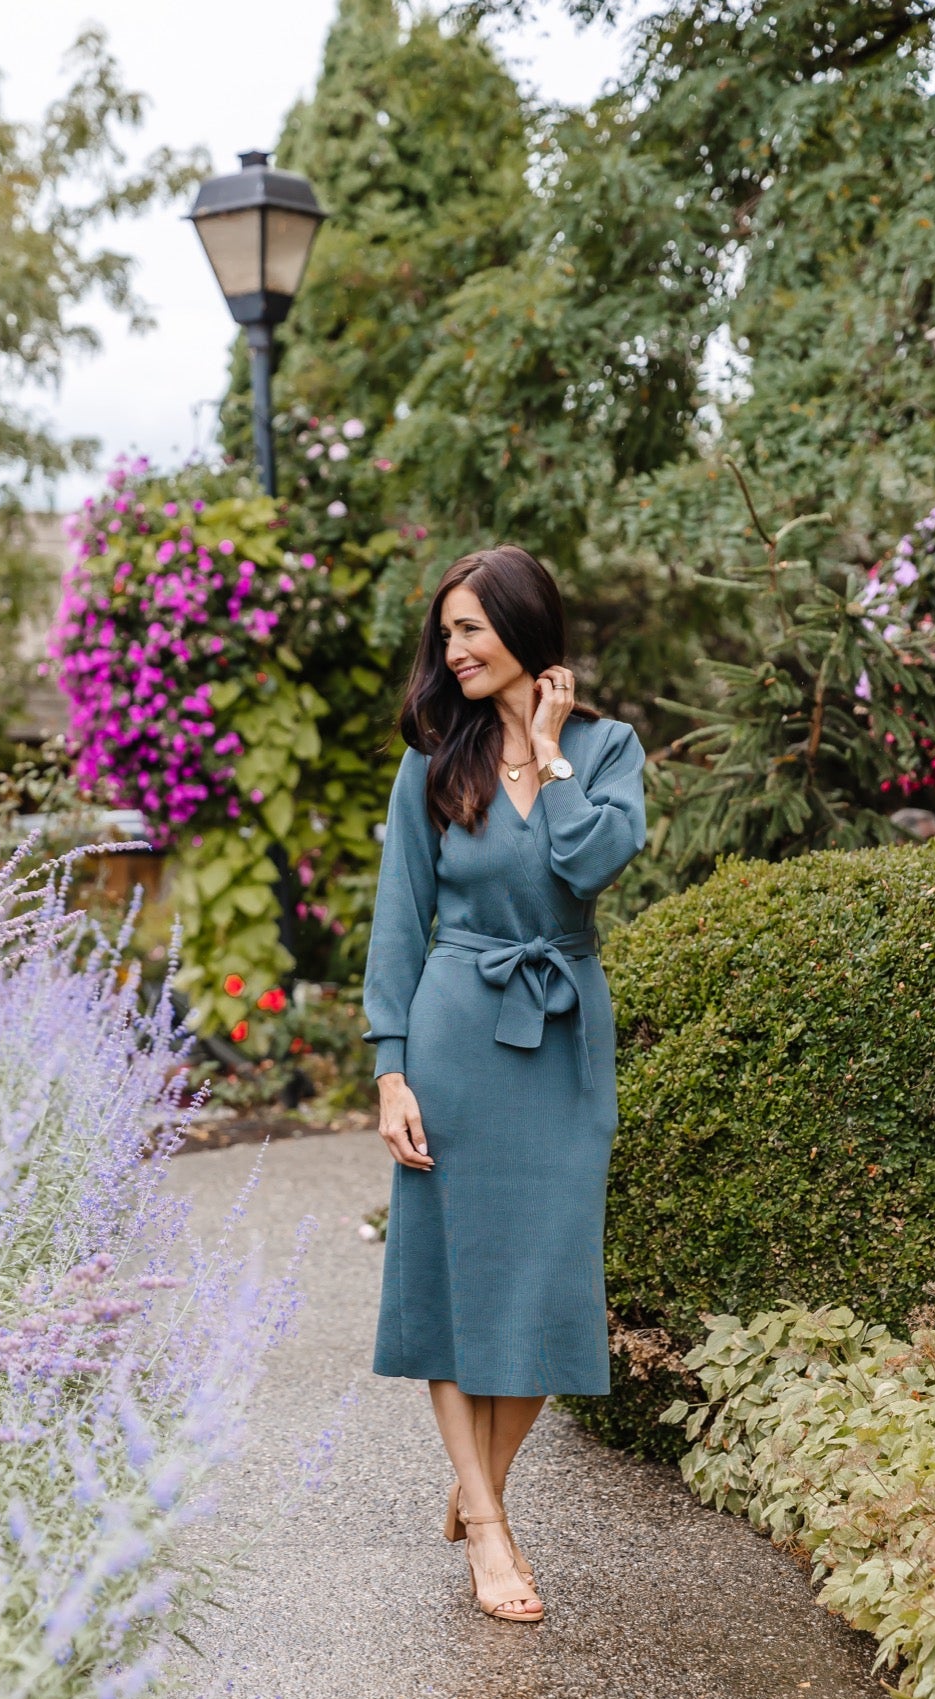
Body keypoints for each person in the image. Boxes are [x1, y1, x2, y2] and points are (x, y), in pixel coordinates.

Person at [361, 544, 646, 1624]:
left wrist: (546, 748)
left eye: (472, 628)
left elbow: (585, 867)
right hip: (455, 1029)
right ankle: (487, 1522)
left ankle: (477, 1478)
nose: (454, 649)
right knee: (447, 1277)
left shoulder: (607, 749)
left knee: (546, 1278)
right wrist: (390, 1072)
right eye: (447, 633)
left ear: (524, 628)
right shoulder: (432, 759)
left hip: (564, 1033)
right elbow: (400, 922)